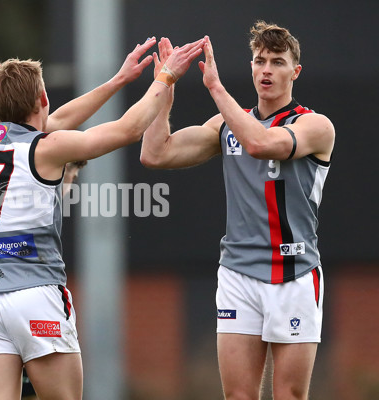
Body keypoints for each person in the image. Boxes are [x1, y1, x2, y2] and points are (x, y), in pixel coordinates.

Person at [0, 36, 205, 400]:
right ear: (41, 100)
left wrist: (117, 81)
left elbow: (57, 120)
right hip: (34, 295)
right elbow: (128, 129)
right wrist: (165, 78)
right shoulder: (46, 148)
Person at [140, 22, 335, 400]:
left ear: (295, 72)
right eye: (259, 60)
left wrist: (214, 87)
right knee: (238, 395)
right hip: (238, 273)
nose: (266, 70)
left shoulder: (314, 125)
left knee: (289, 395)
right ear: (250, 67)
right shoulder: (226, 125)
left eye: (277, 62)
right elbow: (154, 153)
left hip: (293, 274)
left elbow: (262, 143)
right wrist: (166, 86)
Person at [0, 161, 86, 400]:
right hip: (23, 314)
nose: (69, 186)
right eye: (68, 176)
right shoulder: (23, 212)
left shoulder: (4, 206)